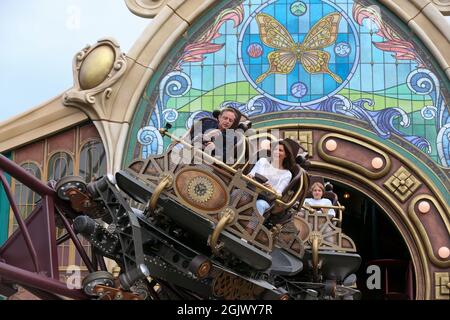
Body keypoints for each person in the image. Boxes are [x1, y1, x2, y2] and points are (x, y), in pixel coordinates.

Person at [248, 139, 297, 216]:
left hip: (266, 199)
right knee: (239, 194)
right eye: (275, 149)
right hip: (251, 191)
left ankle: (251, 227)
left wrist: (271, 189)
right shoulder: (262, 161)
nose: (277, 152)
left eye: (280, 150)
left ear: (286, 155)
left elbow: (279, 193)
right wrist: (250, 176)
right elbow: (251, 175)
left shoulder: (287, 174)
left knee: (260, 204)